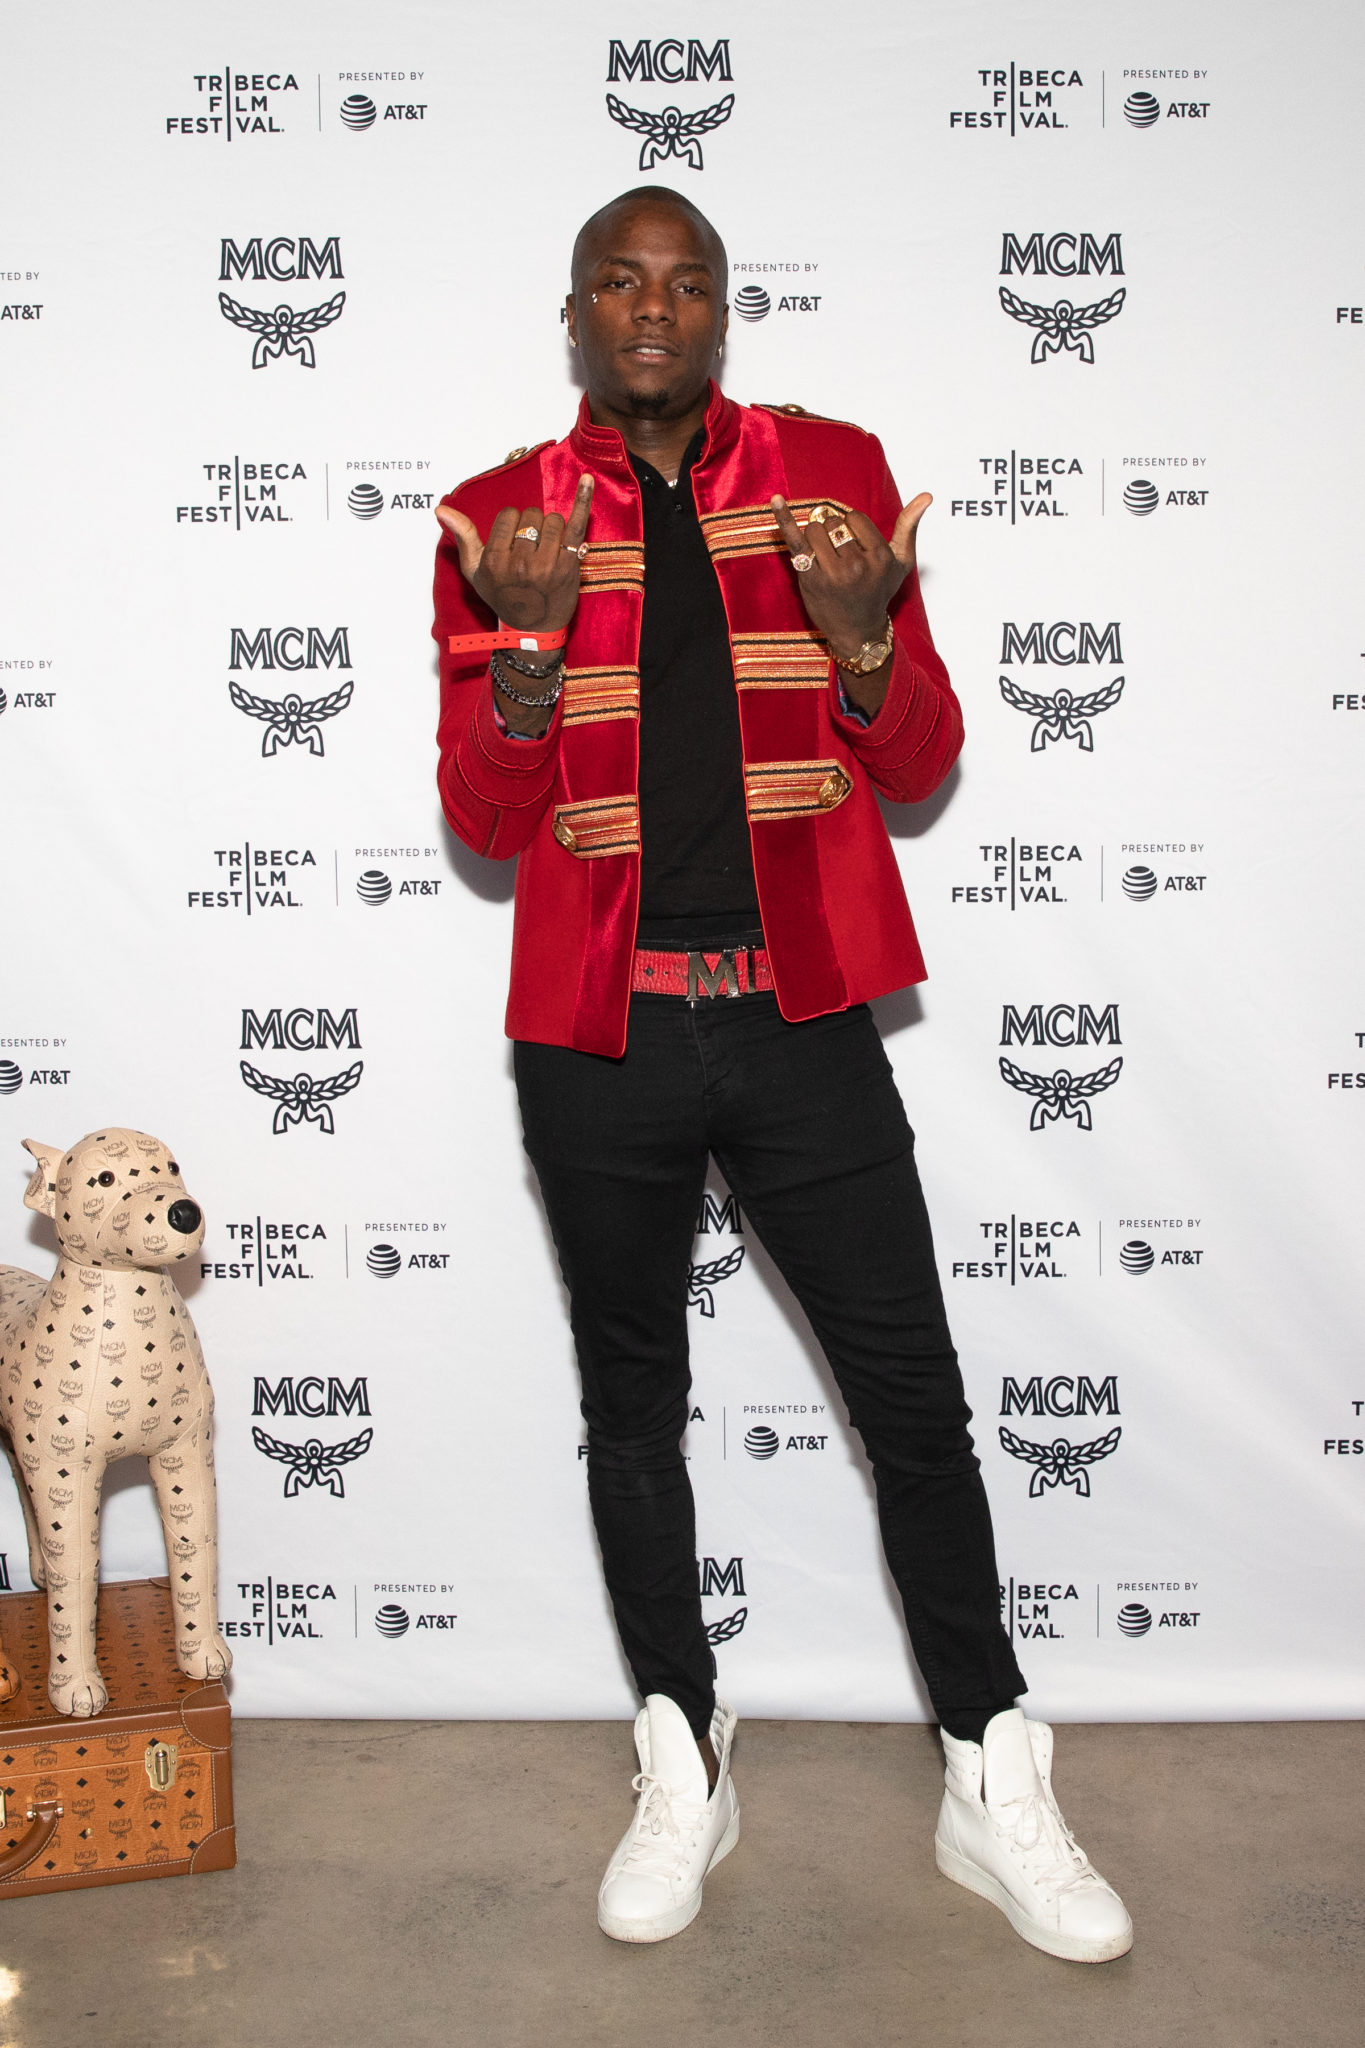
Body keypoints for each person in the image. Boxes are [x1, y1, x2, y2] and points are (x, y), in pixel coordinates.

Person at [432, 186, 1132, 1964]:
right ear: (573, 313)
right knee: (631, 1406)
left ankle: (989, 1764)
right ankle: (683, 1748)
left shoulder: (832, 477)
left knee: (914, 1402)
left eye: (687, 285)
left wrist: (865, 638)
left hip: (799, 1019)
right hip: (598, 1029)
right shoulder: (501, 518)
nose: (651, 309)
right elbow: (485, 820)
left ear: (722, 315)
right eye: (619, 281)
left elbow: (919, 762)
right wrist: (526, 659)